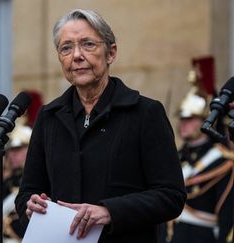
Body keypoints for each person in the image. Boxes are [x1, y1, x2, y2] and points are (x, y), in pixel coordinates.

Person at [14, 9, 186, 242]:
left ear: (111, 53)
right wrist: (30, 206)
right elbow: (28, 191)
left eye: (87, 45)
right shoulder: (49, 117)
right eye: (66, 48)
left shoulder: (145, 113)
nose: (76, 55)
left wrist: (109, 212)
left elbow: (171, 196)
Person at [159, 57, 233, 243]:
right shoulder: (175, 156)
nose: (184, 124)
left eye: (190, 119)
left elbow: (227, 215)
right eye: (182, 119)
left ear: (205, 121)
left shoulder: (223, 161)